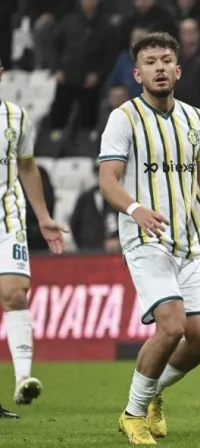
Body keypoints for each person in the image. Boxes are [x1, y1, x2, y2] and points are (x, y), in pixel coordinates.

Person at [98, 31, 200, 445]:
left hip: (191, 240)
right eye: (150, 62)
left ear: (178, 70)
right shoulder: (124, 118)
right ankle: (132, 414)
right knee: (172, 326)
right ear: (137, 74)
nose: (159, 68)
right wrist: (135, 210)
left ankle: (153, 392)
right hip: (146, 238)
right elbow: (108, 180)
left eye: (165, 61)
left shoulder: (196, 119)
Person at [0, 61, 67, 405]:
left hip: (7, 220)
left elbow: (26, 167)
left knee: (14, 294)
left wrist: (42, 216)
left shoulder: (16, 117)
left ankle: (23, 378)